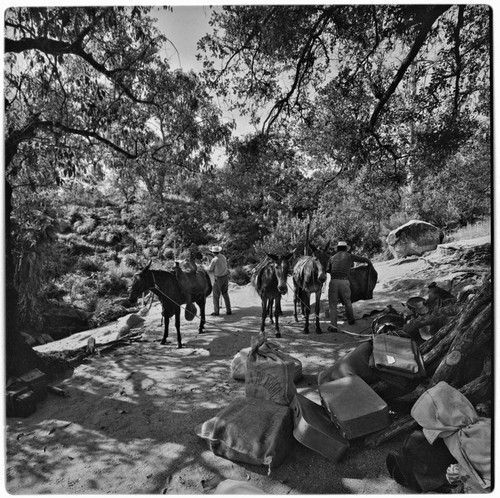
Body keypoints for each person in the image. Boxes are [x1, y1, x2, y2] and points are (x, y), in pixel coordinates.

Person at [326, 241, 372, 332]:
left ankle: (333, 326)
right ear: (346, 248)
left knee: (333, 304)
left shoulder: (332, 258)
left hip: (334, 282)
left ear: (338, 249)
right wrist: (370, 265)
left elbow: (328, 270)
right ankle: (351, 320)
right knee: (347, 301)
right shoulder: (349, 256)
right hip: (345, 282)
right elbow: (365, 260)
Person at [205, 245, 232, 316]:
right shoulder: (223, 257)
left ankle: (216, 312)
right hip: (225, 277)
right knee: (225, 294)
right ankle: (228, 310)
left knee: (216, 296)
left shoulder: (214, 260)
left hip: (218, 278)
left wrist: (204, 267)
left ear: (213, 252)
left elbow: (210, 269)